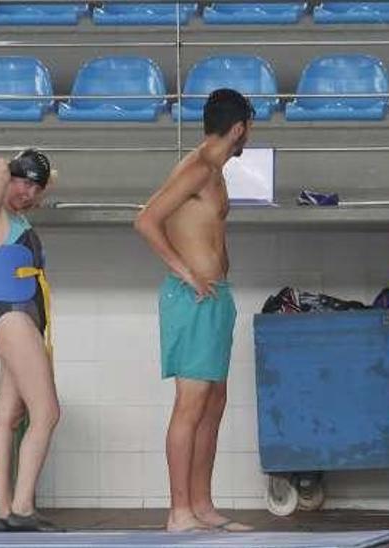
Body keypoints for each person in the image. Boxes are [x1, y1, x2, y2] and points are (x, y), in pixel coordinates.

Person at [134, 89, 256, 533]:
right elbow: (146, 219)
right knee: (191, 404)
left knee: (213, 402)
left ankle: (202, 505)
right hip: (192, 300)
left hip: (216, 297)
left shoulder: (215, 170)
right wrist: (185, 271)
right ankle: (178, 511)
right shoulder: (198, 167)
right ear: (240, 128)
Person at [0, 148, 62, 533]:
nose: (26, 191)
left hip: (17, 318)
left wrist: (38, 174)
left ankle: (6, 510)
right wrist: (14, 167)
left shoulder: (17, 217)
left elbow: (43, 179)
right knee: (47, 413)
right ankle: (23, 508)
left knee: (7, 418)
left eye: (34, 187)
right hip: (12, 318)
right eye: (21, 181)